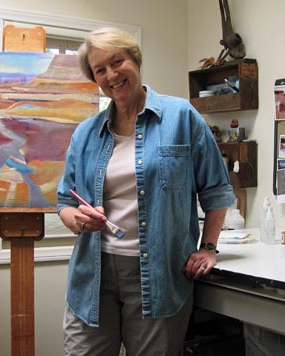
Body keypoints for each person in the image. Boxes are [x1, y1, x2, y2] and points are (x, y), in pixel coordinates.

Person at [57, 27, 235, 356]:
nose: (111, 74)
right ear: (94, 78)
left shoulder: (181, 117)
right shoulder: (85, 134)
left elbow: (217, 190)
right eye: (100, 69)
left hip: (160, 275)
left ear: (135, 60)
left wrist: (209, 247)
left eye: (117, 61)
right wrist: (77, 219)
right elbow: (65, 203)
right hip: (93, 276)